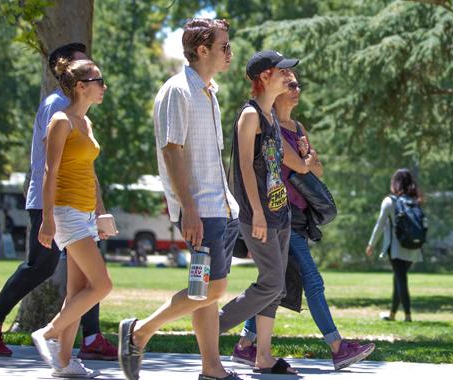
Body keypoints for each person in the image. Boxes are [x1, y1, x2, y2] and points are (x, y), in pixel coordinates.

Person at [0, 43, 117, 361]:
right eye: (85, 68)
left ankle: (74, 350)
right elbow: (53, 166)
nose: (97, 78)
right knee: (43, 266)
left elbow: (84, 167)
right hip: (50, 201)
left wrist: (100, 210)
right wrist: (49, 216)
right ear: (70, 75)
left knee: (78, 279)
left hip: (77, 206)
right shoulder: (58, 108)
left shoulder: (83, 117)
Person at [118, 18, 243, 380]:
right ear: (202, 49)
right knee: (213, 287)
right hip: (200, 210)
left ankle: (212, 369)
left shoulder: (209, 91)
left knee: (205, 291)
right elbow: (172, 151)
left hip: (220, 206)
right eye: (224, 46)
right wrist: (189, 209)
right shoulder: (178, 90)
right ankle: (140, 331)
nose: (229, 53)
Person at [231, 74, 376, 370]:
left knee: (274, 282)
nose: (296, 90)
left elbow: (316, 168)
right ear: (277, 90)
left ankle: (245, 345)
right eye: (291, 85)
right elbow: (299, 164)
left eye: (297, 85)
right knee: (310, 279)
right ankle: (337, 347)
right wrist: (303, 163)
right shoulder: (267, 124)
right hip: (278, 215)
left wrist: (306, 163)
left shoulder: (297, 128)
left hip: (297, 218)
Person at [29, 57, 113, 378]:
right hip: (65, 213)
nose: (103, 87)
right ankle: (49, 332)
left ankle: (63, 363)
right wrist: (47, 219)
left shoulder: (86, 123)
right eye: (98, 81)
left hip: (86, 212)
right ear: (81, 86)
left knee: (77, 292)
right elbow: (49, 172)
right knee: (102, 284)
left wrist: (101, 212)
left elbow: (89, 172)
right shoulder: (60, 121)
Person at [216, 50, 298, 375]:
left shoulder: (271, 116)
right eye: (282, 72)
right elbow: (245, 170)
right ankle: (211, 329)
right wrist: (259, 214)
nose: (289, 77)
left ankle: (263, 356)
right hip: (258, 214)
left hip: (280, 213)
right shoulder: (250, 115)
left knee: (274, 287)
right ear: (264, 77)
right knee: (273, 283)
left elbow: (276, 166)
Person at [366, 169, 423, 322]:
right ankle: (392, 314)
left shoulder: (389, 201)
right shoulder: (415, 201)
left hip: (396, 247)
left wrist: (371, 244)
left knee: (401, 278)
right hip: (413, 246)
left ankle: (408, 315)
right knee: (398, 278)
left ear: (395, 183)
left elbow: (379, 225)